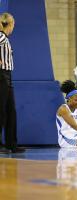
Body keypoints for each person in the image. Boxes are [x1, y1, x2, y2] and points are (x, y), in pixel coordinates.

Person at [0, 13, 25, 153]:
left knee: (11, 111)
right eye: (13, 25)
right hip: (1, 76)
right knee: (1, 111)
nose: (13, 28)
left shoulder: (5, 39)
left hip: (7, 76)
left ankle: (11, 144)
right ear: (9, 24)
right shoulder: (2, 36)